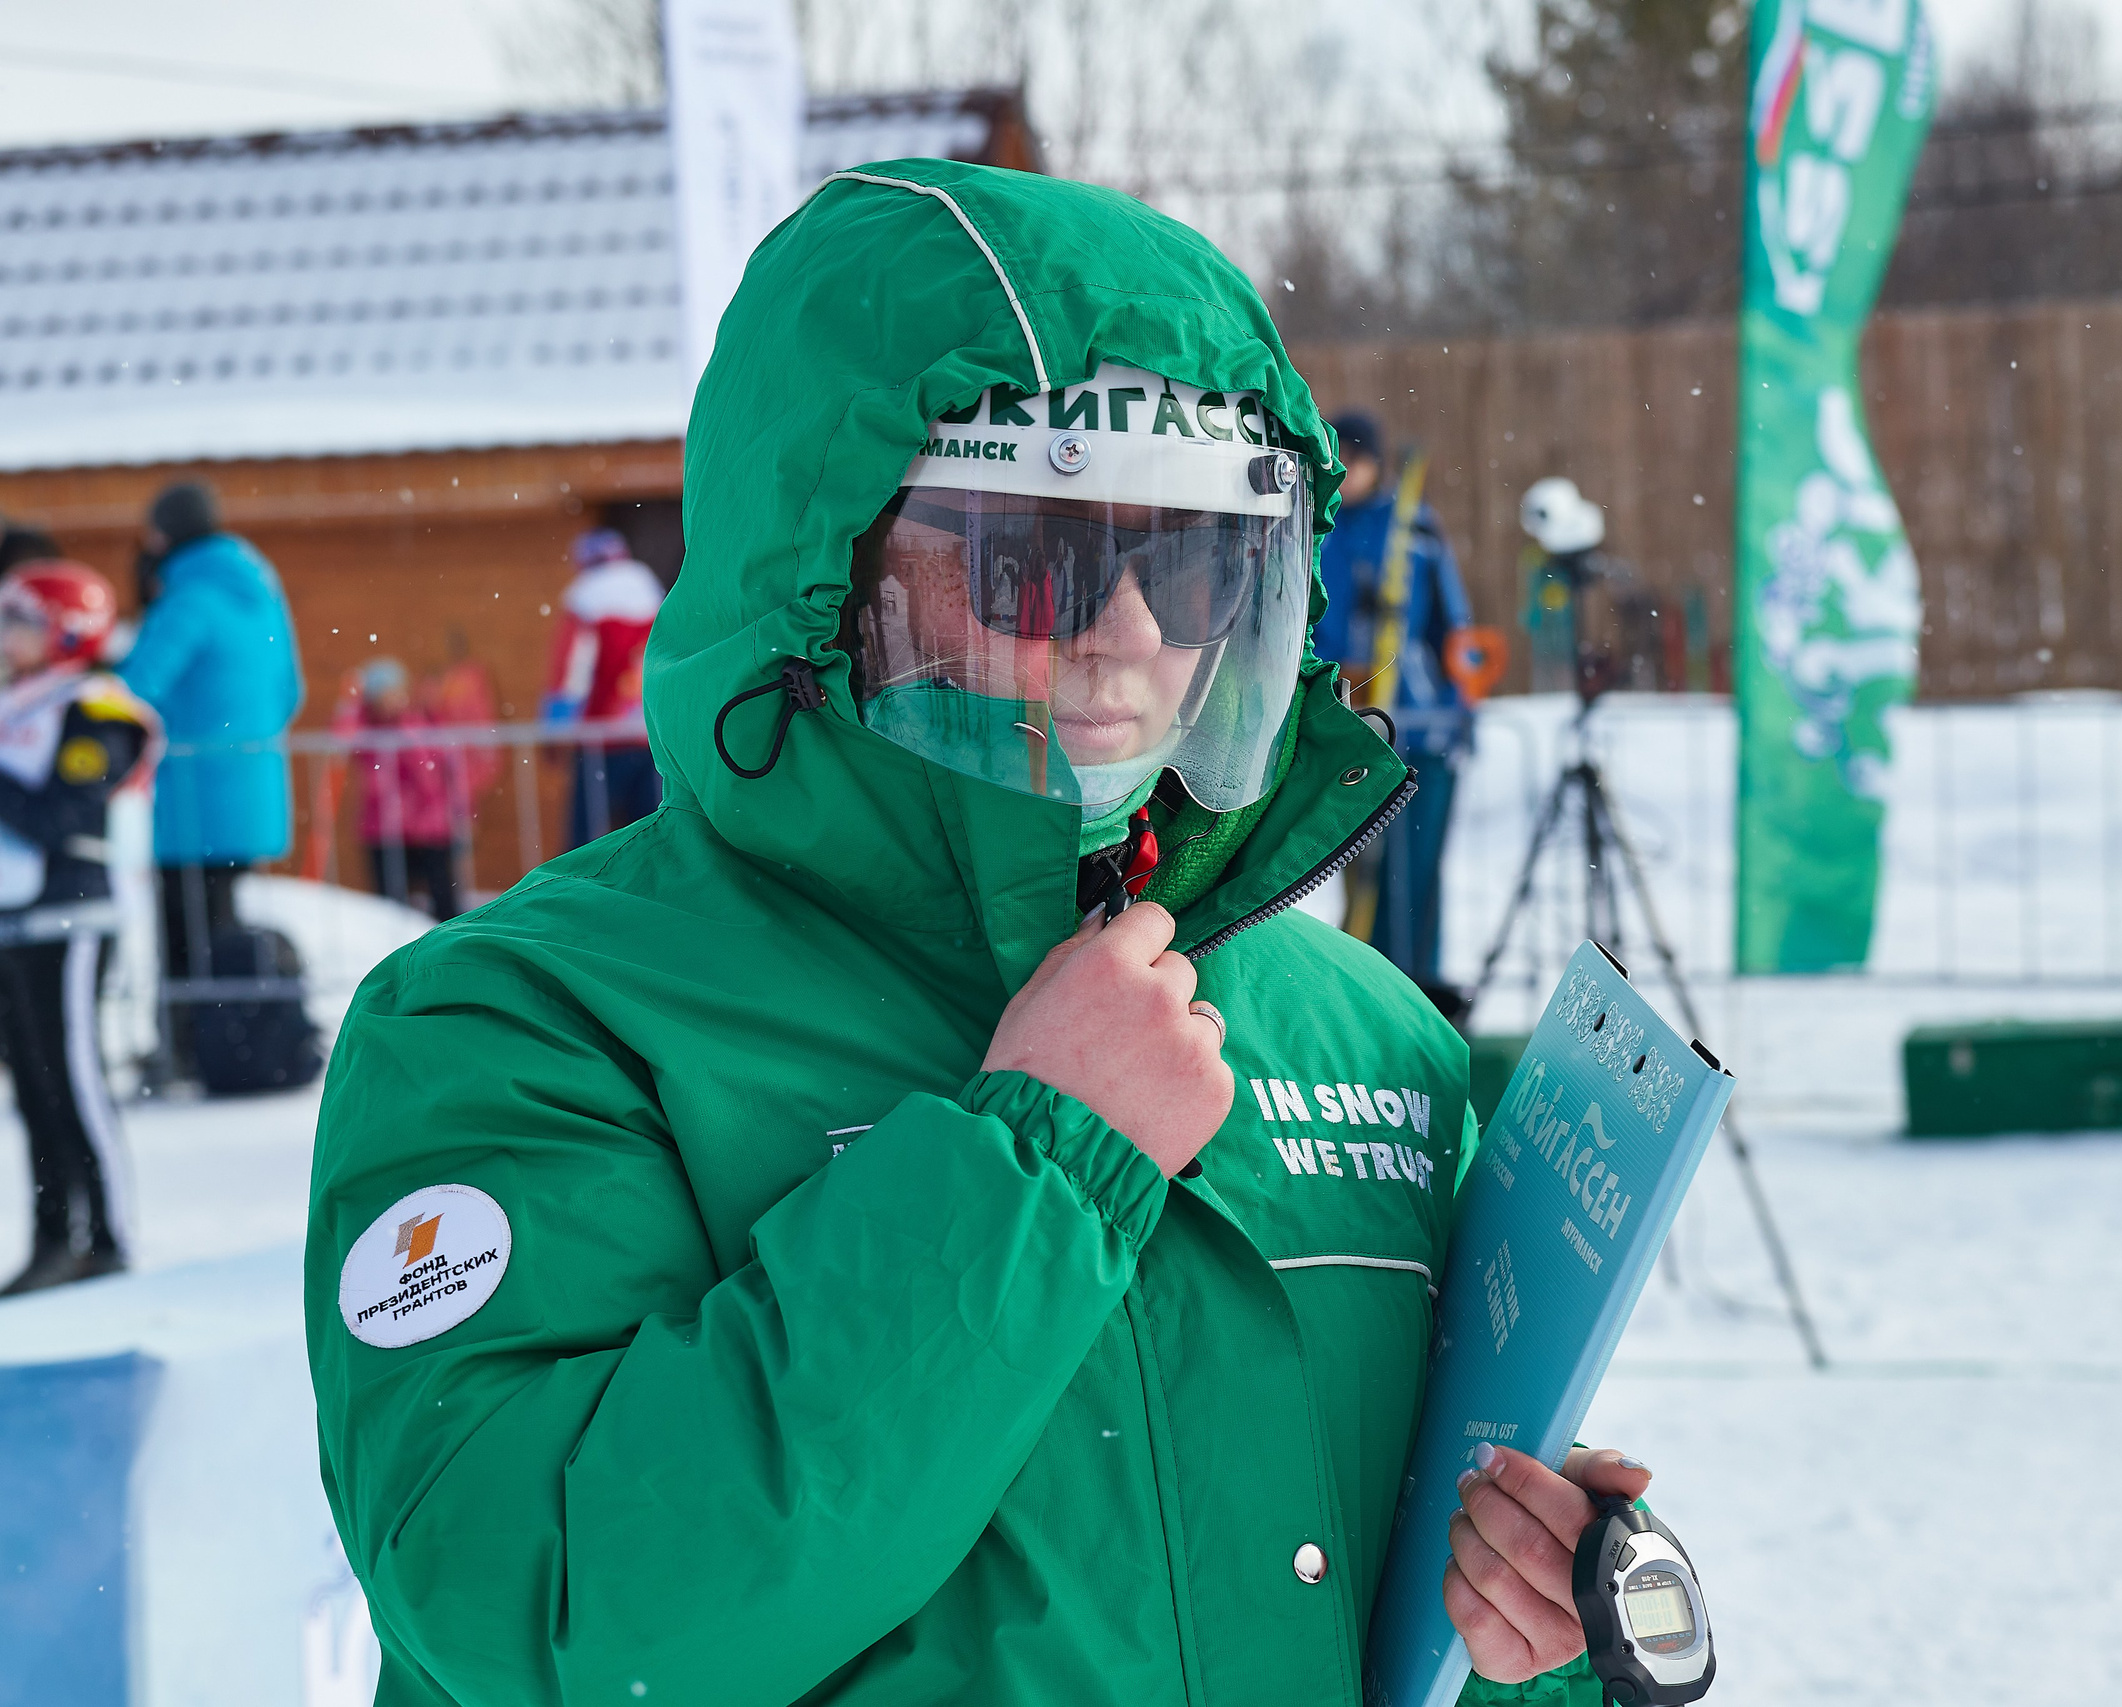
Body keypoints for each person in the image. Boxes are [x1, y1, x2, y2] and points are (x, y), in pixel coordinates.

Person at [306, 164, 1655, 1706]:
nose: (1134, 635)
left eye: (1199, 563)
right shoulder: (526, 1025)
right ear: (830, 566)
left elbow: (1388, 1609)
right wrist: (1036, 1159)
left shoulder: (1369, 1031)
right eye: (1041, 560)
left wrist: (1539, 1626)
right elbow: (548, 1615)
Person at [0, 561, 159, 1294]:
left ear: (68, 631)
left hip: (70, 915)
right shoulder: (17, 704)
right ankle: (52, 1238)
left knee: (74, 1078)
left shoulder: (98, 709)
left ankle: (110, 1234)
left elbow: (59, 812)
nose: (6, 637)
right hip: (14, 918)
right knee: (31, 1086)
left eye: (20, 621)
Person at [118, 481, 306, 1056]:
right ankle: (230, 1042)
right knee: (218, 926)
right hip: (252, 790)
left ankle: (186, 1049)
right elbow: (289, 692)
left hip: (194, 799)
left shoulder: (188, 597)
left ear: (164, 535)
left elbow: (134, 688)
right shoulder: (259, 588)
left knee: (184, 930)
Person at [1310, 412, 1477, 1006]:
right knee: (1363, 871)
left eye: (1360, 458)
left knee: (1416, 874)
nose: (1349, 471)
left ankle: (1416, 994)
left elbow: (1452, 629)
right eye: (1340, 458)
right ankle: (1368, 989)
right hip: (1353, 728)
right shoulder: (1311, 527)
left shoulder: (1412, 529)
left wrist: (1460, 714)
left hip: (1421, 731)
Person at [542, 527, 664, 847]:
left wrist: (555, 729)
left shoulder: (586, 603)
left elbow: (573, 677)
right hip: (650, 737)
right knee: (651, 831)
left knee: (588, 837)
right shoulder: (654, 600)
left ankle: (579, 895)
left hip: (601, 738)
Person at [333, 658, 463, 921]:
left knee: (443, 900)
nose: (390, 700)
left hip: (427, 827)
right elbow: (339, 740)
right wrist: (351, 705)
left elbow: (428, 771)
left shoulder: (416, 723)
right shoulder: (367, 728)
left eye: (395, 692)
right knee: (388, 906)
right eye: (383, 694)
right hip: (383, 828)